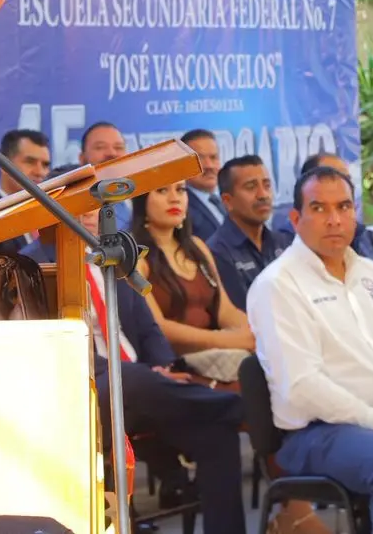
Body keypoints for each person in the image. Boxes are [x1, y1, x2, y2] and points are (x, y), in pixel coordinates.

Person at [247, 166, 373, 532]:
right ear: (296, 218)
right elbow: (303, 387)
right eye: (319, 209)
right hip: (316, 433)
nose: (334, 220)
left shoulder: (372, 274)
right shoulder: (278, 285)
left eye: (344, 207)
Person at [77, 208, 249, 534]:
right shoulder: (38, 262)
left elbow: (148, 328)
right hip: (90, 388)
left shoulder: (113, 254)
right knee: (125, 377)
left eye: (94, 210)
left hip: (144, 389)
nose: (89, 217)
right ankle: (243, 409)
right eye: (79, 209)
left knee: (217, 433)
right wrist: (150, 376)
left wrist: (162, 368)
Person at [130, 181, 255, 358]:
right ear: (141, 201)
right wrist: (229, 340)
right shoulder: (135, 258)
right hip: (174, 363)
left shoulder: (197, 246)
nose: (174, 199)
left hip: (221, 353)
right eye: (162, 190)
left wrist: (251, 331)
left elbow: (224, 310)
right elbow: (157, 326)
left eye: (180, 190)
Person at [206, 154, 292, 311]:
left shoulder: (285, 243)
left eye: (266, 185)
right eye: (251, 187)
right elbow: (244, 313)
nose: (263, 195)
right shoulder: (216, 252)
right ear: (227, 201)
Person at [0, 128, 53, 257]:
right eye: (30, 162)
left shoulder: (54, 216)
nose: (40, 172)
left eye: (45, 165)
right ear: (3, 164)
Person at [181, 128, 227, 242]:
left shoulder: (228, 201)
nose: (209, 165)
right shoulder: (181, 206)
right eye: (200, 159)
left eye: (213, 157)